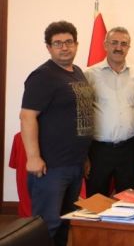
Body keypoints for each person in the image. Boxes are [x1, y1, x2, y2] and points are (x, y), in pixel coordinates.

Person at [20, 21, 95, 246]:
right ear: (49, 47)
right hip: (51, 167)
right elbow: (27, 116)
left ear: (76, 44)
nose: (64, 47)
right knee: (46, 226)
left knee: (65, 223)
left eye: (69, 42)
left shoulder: (77, 72)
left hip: (74, 164)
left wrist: (84, 156)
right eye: (58, 43)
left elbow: (79, 115)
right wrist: (33, 157)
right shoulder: (42, 76)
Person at [84, 26, 134, 196]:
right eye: (114, 43)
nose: (119, 47)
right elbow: (82, 116)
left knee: (129, 200)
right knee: (96, 201)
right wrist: (84, 155)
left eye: (124, 44)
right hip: (98, 151)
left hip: (129, 150)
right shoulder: (89, 75)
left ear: (129, 47)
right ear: (105, 45)